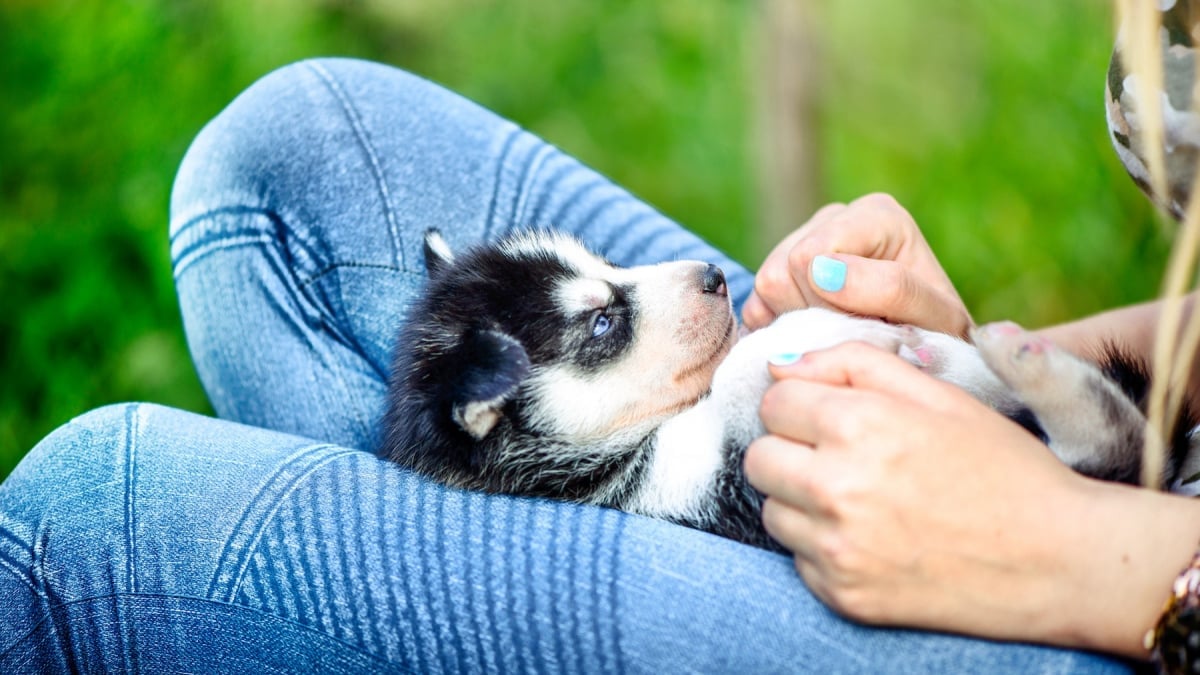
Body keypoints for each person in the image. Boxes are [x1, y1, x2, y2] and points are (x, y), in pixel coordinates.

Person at [0, 20, 1189, 673]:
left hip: (1116, 600)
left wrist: (1079, 553)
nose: (681, 288)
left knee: (87, 527)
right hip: (1140, 479)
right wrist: (984, 364)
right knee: (282, 165)